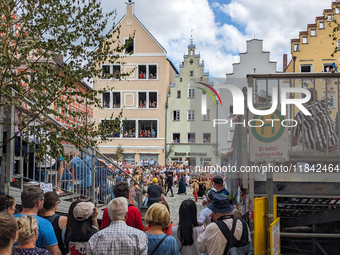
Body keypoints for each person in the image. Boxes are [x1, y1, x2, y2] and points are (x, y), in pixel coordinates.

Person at [14, 186, 61, 255]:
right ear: (39, 202)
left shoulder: (10, 220)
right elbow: (55, 252)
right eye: (43, 200)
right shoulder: (44, 224)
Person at [292, 85, 339, 154]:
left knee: (288, 151)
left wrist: (301, 144)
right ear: (316, 97)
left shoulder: (299, 115)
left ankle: (292, 165)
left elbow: (294, 142)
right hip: (334, 149)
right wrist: (331, 81)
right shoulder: (322, 104)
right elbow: (329, 91)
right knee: (327, 157)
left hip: (316, 151)